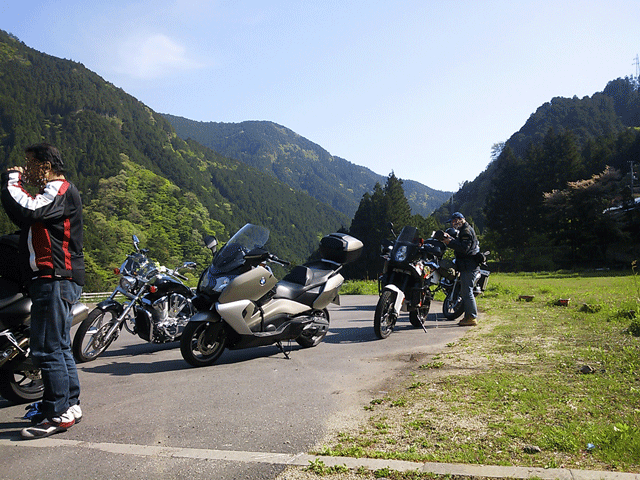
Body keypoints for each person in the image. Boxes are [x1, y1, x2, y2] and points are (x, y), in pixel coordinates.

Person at [1, 143, 85, 439]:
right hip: (54, 279)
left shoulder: (59, 188)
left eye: (31, 162)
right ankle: (69, 405)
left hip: (54, 278)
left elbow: (29, 210)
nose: (28, 167)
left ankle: (57, 413)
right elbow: (24, 216)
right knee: (59, 346)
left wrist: (12, 180)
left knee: (47, 348)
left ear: (47, 164)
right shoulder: (54, 192)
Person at [441, 212, 480, 326]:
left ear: (460, 219)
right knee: (465, 291)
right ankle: (468, 316)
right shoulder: (464, 230)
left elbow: (464, 248)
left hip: (469, 266)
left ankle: (472, 317)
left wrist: (449, 242)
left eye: (454, 221)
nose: (453, 224)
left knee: (467, 292)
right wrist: (451, 239)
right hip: (467, 265)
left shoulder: (466, 231)